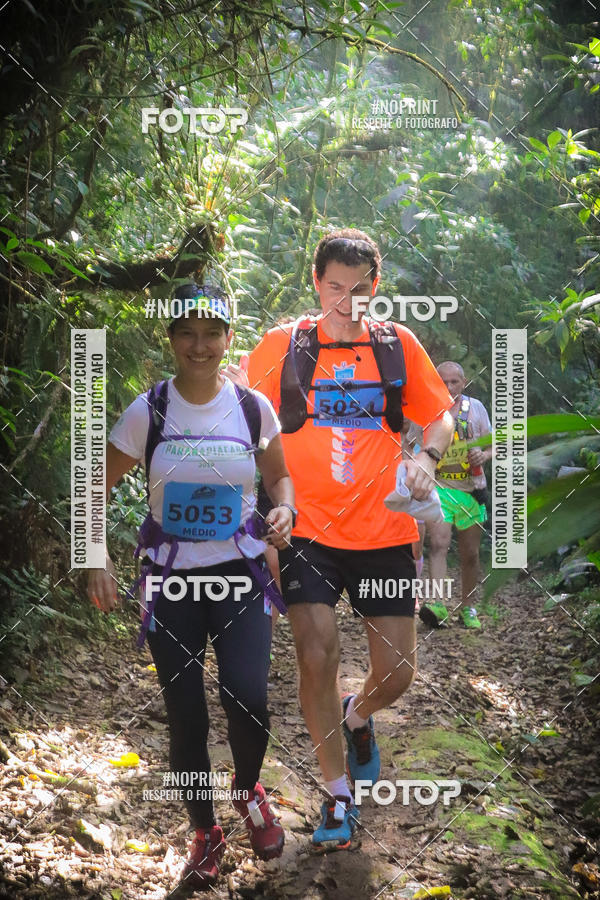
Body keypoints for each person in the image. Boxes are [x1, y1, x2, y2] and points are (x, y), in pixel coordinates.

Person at [242, 229, 454, 849]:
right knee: (315, 654)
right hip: (305, 530)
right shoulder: (281, 345)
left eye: (359, 289)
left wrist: (430, 458)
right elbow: (242, 416)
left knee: (399, 672)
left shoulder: (396, 345)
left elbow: (437, 412)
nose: (346, 300)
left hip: (384, 532)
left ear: (374, 288)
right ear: (316, 283)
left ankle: (356, 719)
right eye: (335, 287)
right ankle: (338, 796)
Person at [87, 284, 295, 891]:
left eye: (212, 333)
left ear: (230, 338)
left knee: (249, 698)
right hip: (172, 581)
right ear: (172, 339)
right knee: (186, 718)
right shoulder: (147, 411)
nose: (200, 346)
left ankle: (248, 789)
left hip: (240, 576)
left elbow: (281, 478)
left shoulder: (253, 407)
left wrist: (285, 513)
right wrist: (92, 556)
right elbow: (92, 484)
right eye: (187, 333)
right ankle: (204, 831)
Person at [419, 361, 493, 630]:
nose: (449, 387)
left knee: (470, 554)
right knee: (438, 544)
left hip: (473, 490)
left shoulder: (476, 409)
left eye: (455, 382)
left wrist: (483, 454)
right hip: (439, 488)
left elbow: (494, 444)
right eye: (443, 382)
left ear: (464, 382)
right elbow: (413, 444)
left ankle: (468, 607)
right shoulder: (427, 409)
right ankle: (437, 604)